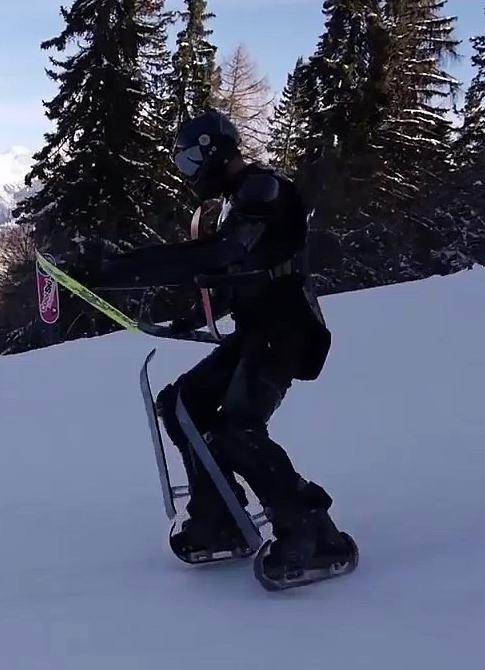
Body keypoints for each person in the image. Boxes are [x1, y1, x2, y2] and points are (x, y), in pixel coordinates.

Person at [87, 109, 354, 578]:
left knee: (236, 428)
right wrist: (194, 317)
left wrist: (121, 270)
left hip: (286, 332)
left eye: (189, 162)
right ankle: (220, 518)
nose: (188, 175)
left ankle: (313, 531)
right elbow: (243, 273)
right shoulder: (237, 199)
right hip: (258, 331)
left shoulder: (263, 189)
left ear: (212, 151)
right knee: (181, 404)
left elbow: (226, 254)